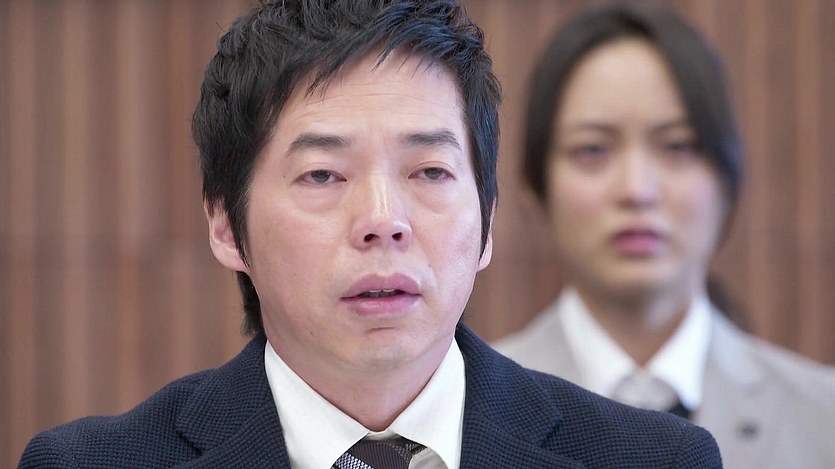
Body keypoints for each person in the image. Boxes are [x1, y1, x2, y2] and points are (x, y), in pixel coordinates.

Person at [19, 1, 721, 467]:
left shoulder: (654, 459)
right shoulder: (85, 464)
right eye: (323, 175)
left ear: (487, 220)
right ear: (226, 224)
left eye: (429, 171)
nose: (384, 219)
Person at [492, 2, 835, 468]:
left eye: (677, 146)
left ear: (727, 179)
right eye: (592, 149)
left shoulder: (822, 419)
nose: (637, 190)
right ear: (537, 186)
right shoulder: (473, 411)